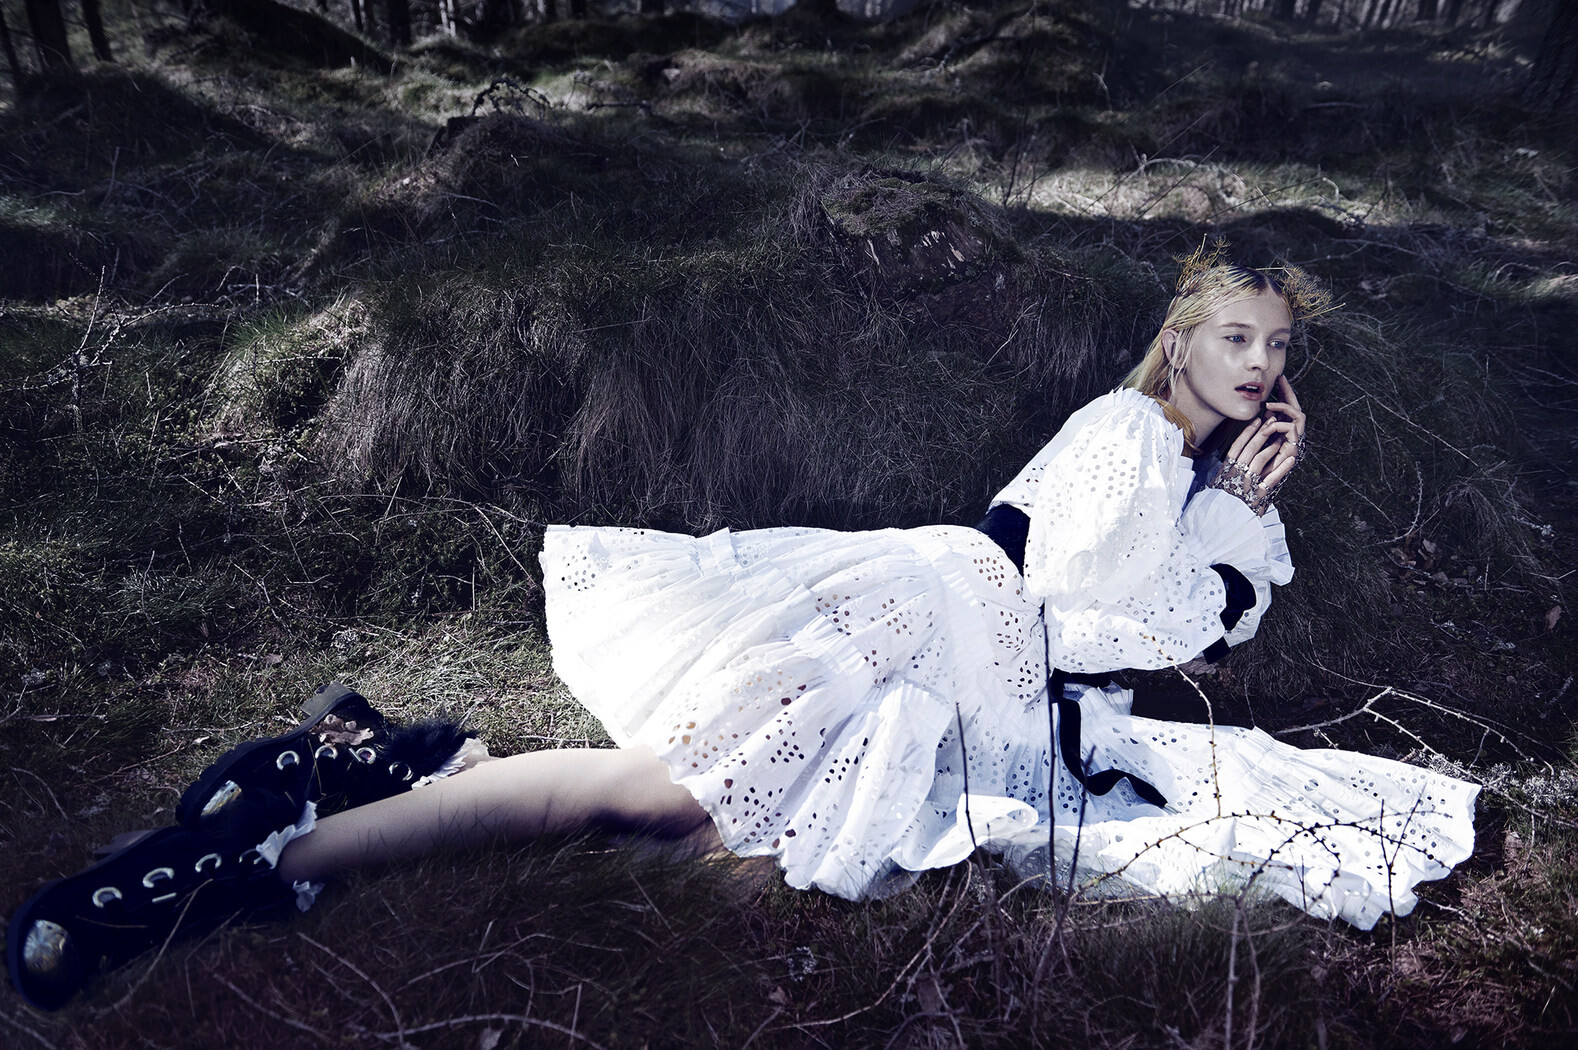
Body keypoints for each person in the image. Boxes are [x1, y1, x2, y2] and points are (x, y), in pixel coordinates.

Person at [7, 254, 1480, 1012]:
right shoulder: (1126, 435)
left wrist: (1231, 519)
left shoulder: (1187, 471)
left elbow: (1164, 637)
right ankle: (249, 868)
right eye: (1234, 335)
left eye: (1276, 346)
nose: (1257, 364)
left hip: (976, 672)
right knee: (670, 798)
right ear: (1179, 339)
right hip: (929, 622)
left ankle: (373, 761)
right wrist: (1227, 530)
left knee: (698, 825)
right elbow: (1102, 617)